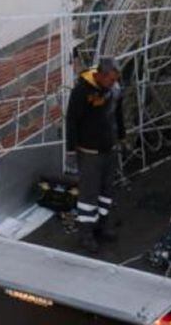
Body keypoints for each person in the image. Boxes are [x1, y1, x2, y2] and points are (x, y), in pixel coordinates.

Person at [65, 57, 126, 254]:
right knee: (88, 195)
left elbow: (118, 113)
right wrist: (71, 150)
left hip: (109, 149)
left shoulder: (113, 90)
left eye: (115, 80)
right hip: (89, 152)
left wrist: (122, 136)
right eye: (110, 80)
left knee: (106, 191)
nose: (113, 84)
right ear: (99, 75)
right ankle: (86, 234)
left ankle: (103, 225)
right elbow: (72, 121)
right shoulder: (82, 91)